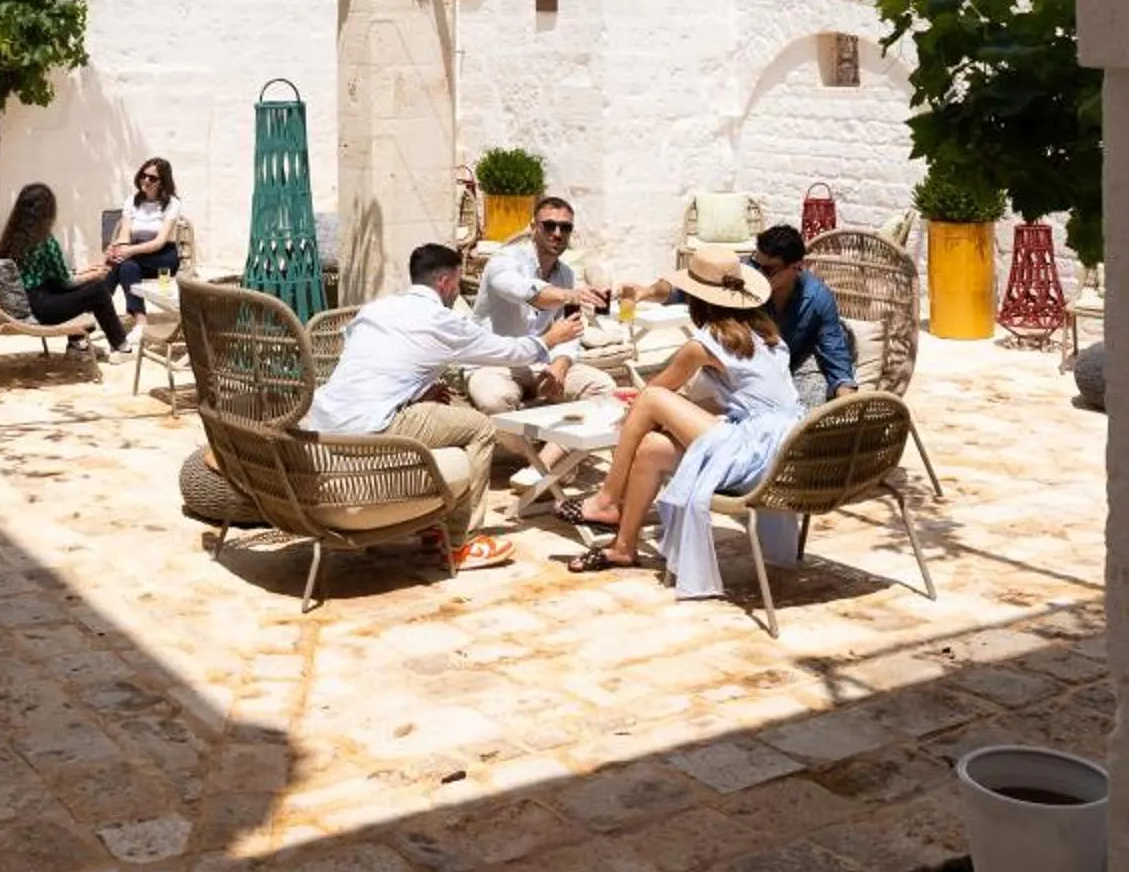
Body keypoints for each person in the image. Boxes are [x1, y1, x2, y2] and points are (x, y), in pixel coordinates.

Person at [301, 242, 587, 570]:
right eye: (457, 282)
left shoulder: (375, 309)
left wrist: (417, 393)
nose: (457, 291)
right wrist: (552, 338)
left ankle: (431, 521)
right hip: (372, 427)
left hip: (326, 422)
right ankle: (462, 541)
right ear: (445, 282)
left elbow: (379, 367)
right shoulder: (441, 320)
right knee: (480, 427)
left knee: (444, 413)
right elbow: (510, 352)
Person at [563, 246, 804, 590]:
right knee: (651, 448)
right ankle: (623, 547)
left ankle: (606, 500)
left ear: (696, 299)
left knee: (650, 399)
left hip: (754, 453)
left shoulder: (705, 343)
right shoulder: (765, 334)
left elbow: (655, 392)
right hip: (785, 446)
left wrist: (636, 411)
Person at [465, 195, 616, 414]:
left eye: (565, 228)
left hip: (540, 362)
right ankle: (523, 437)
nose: (557, 233)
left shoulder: (566, 274)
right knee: (495, 400)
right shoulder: (504, 261)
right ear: (533, 227)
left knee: (603, 387)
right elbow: (521, 290)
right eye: (549, 226)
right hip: (495, 363)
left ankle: (561, 436)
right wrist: (567, 295)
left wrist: (560, 365)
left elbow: (570, 331)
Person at [0, 181, 128, 354]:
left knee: (84, 288)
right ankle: (121, 346)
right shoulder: (45, 241)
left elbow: (52, 277)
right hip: (42, 310)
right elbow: (66, 282)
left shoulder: (11, 238)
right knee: (98, 291)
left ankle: (77, 343)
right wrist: (95, 275)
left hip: (25, 302)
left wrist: (85, 271)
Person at [754, 223, 860, 407]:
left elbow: (834, 354)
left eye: (769, 270)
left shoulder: (818, 298)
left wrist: (849, 403)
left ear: (796, 267)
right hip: (761, 360)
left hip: (800, 356)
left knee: (807, 405)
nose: (759, 274)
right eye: (756, 265)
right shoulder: (748, 281)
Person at [102, 157, 184, 318]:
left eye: (152, 178)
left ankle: (96, 309)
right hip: (136, 255)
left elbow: (159, 242)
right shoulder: (132, 201)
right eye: (143, 175)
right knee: (126, 267)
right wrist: (115, 248)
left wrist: (128, 251)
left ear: (162, 182)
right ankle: (140, 320)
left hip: (162, 257)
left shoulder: (172, 204)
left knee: (118, 263)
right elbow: (124, 236)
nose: (146, 180)